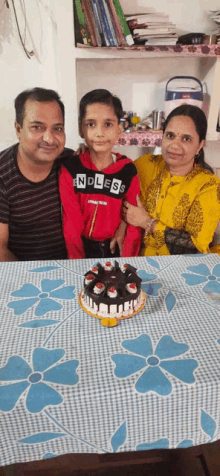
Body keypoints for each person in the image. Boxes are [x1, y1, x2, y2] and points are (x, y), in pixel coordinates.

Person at [123, 104, 220, 256]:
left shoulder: (208, 184)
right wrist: (86, 155)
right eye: (170, 135)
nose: (174, 145)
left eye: (186, 139)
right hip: (136, 262)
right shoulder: (145, 165)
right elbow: (113, 172)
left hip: (183, 268)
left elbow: (196, 247)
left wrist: (147, 223)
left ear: (200, 145)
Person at [59, 89, 141, 259]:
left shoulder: (128, 170)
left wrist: (128, 260)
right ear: (81, 129)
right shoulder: (71, 168)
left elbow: (133, 222)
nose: (99, 132)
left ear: (119, 129)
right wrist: (77, 264)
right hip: (82, 249)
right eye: (91, 124)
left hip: (114, 248)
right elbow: (71, 225)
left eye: (108, 124)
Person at [0, 87, 74, 261]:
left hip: (75, 266)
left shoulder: (70, 162)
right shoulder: (3, 175)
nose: (49, 139)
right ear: (18, 129)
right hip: (23, 273)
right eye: (37, 127)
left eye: (57, 128)